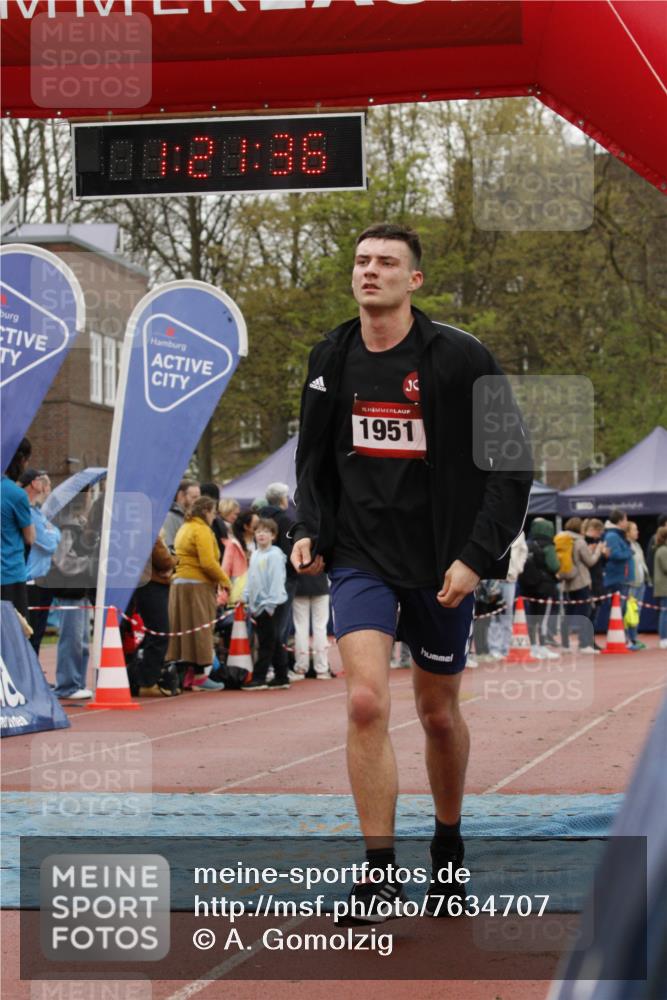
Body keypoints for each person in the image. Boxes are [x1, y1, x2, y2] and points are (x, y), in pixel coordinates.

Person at [290, 222, 532, 922]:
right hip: (361, 558)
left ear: (413, 280)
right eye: (361, 260)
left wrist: (473, 557)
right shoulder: (328, 357)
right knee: (365, 701)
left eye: (386, 262)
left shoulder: (460, 359)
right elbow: (311, 462)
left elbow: (510, 466)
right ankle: (377, 874)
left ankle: (447, 847)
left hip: (440, 563)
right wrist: (309, 530)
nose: (370, 271)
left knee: (435, 713)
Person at [165, 496, 230, 691]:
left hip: (180, 583)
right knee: (202, 629)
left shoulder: (184, 527)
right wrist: (225, 581)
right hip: (198, 585)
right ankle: (201, 676)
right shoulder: (201, 530)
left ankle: (189, 674)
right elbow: (208, 562)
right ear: (206, 512)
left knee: (184, 631)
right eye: (213, 512)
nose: (214, 516)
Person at [46, 491, 98, 700]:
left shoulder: (80, 524)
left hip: (81, 589)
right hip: (71, 588)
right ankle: (67, 684)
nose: (91, 498)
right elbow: (63, 561)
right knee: (71, 638)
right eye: (89, 494)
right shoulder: (67, 527)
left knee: (82, 639)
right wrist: (89, 562)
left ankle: (76, 682)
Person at [244, 518, 289, 690]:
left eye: (266, 531)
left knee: (266, 642)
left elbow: (277, 581)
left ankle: (259, 677)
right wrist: (246, 596)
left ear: (273, 536)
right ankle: (281, 676)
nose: (261, 534)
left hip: (272, 605)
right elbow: (251, 578)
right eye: (258, 531)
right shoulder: (255, 554)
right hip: (257, 605)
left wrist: (270, 604)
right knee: (275, 640)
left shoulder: (275, 555)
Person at [21, 469, 61, 655]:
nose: (49, 490)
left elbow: (57, 536)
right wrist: (51, 534)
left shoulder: (40, 514)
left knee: (39, 632)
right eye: (48, 485)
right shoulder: (29, 513)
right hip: (32, 580)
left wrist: (51, 534)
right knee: (31, 632)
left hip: (43, 579)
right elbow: (47, 543)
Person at [260, 483, 297, 681]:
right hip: (284, 579)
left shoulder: (259, 518)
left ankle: (268, 667)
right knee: (281, 625)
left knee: (265, 626)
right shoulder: (285, 521)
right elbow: (290, 551)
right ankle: (280, 669)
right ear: (283, 500)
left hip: (261, 578)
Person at [134, 534, 177, 696]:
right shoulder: (149, 529)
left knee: (152, 634)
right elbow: (163, 559)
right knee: (159, 633)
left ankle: (141, 678)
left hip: (144, 583)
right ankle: (147, 682)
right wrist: (174, 559)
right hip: (152, 585)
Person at [0, 437, 36, 617]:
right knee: (17, 635)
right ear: (21, 460)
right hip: (10, 574)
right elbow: (30, 538)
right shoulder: (16, 494)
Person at [559, 517, 604, 654]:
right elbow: (590, 562)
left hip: (568, 582)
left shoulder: (563, 539)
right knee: (585, 613)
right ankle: (584, 645)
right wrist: (598, 551)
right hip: (581, 582)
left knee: (568, 614)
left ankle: (565, 645)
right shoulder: (579, 542)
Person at [518, 518, 561, 660]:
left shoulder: (527, 544)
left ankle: (533, 646)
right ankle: (542, 646)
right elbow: (554, 566)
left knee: (531, 617)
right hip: (545, 586)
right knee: (543, 619)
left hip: (528, 585)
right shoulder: (549, 546)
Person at [487, 531, 528, 660]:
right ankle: (494, 648)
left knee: (507, 614)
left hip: (510, 578)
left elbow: (523, 551)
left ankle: (505, 648)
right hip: (494, 578)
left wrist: (518, 568)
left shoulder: (520, 532)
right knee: (495, 614)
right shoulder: (495, 527)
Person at [291, 570, 332, 680]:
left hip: (300, 586)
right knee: (320, 628)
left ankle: (301, 668)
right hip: (320, 585)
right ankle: (322, 669)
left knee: (301, 628)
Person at [162, 479, 201, 552]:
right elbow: (169, 548)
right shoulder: (169, 517)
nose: (198, 502)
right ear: (181, 495)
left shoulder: (194, 516)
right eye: (194, 497)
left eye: (199, 497)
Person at [652, 525, 667, 649]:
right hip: (664, 587)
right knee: (664, 613)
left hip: (663, 586)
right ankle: (663, 638)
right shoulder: (663, 550)